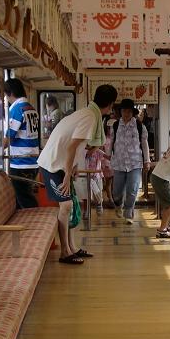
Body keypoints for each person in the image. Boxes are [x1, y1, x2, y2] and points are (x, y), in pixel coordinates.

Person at [37, 84, 117, 265]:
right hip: (52, 165)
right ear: (111, 104)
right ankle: (65, 252)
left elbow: (75, 146)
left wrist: (73, 167)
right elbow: (72, 146)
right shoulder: (90, 118)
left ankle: (72, 248)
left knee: (70, 206)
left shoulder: (87, 113)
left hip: (59, 163)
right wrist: (67, 174)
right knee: (66, 206)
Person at [110, 98, 150, 224]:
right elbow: (111, 142)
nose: (126, 114)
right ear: (120, 112)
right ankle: (118, 204)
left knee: (132, 189)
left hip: (135, 163)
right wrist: (108, 156)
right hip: (119, 163)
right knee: (116, 192)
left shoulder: (139, 126)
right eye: (124, 111)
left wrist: (147, 160)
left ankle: (128, 213)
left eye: (128, 111)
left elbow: (144, 144)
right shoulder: (115, 125)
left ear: (132, 112)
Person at [3, 78, 40, 208]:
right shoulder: (30, 108)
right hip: (32, 160)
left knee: (25, 199)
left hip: (21, 162)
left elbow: (9, 136)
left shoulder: (17, 109)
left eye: (5, 95)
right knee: (23, 198)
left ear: (10, 93)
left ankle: (36, 220)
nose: (6, 99)